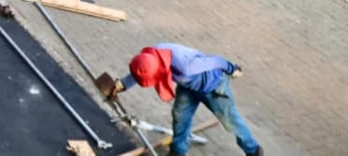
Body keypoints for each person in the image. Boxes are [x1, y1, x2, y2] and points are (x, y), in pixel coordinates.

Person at [98, 44, 261, 156]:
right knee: (180, 116)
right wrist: (122, 85)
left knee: (230, 122)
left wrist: (233, 69)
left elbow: (216, 61)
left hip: (214, 88)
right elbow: (142, 70)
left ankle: (253, 150)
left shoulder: (186, 66)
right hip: (189, 86)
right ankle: (178, 150)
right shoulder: (153, 55)